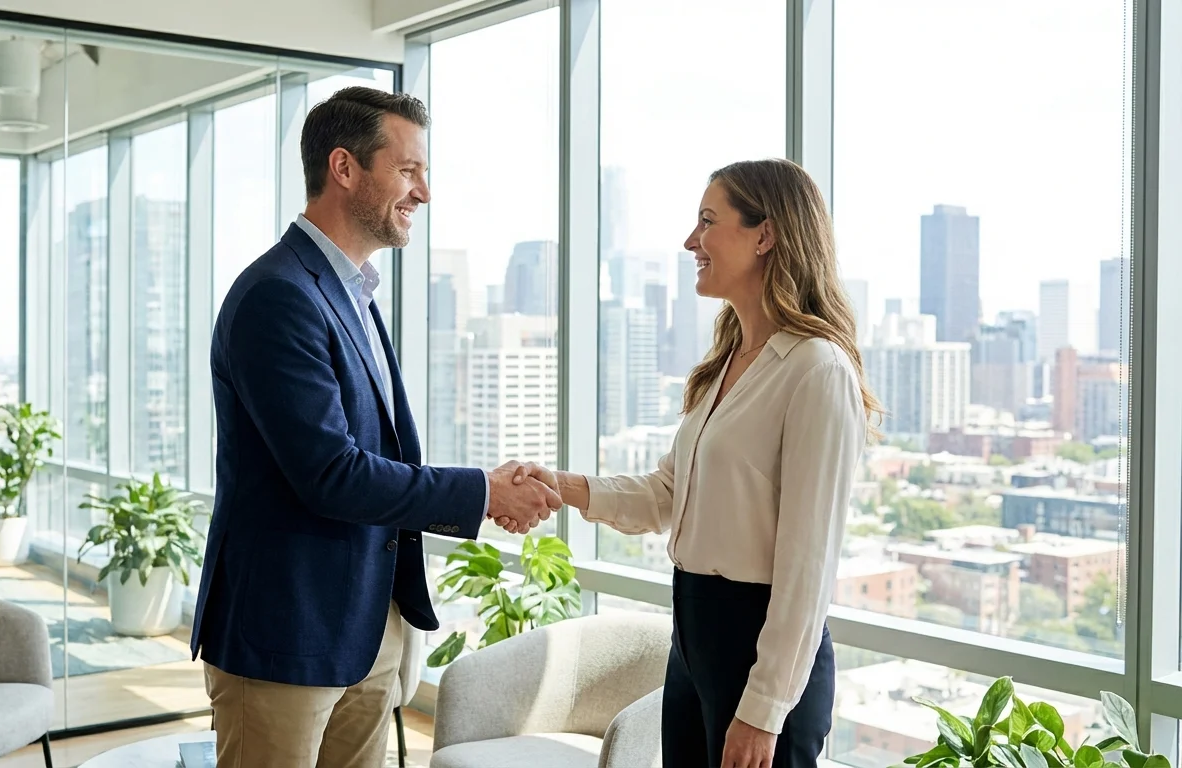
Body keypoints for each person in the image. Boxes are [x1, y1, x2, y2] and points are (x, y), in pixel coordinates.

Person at [192, 86, 561, 768]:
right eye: (410, 170)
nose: (424, 192)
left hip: (364, 628)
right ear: (345, 168)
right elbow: (331, 473)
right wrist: (482, 491)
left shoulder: (350, 291)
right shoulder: (279, 295)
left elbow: (375, 450)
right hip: (288, 634)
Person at [500, 158, 879, 768]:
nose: (690, 241)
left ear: (766, 234)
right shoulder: (726, 362)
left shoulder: (816, 370)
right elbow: (665, 495)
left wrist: (764, 708)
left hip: (759, 648)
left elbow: (807, 565)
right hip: (694, 637)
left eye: (708, 221)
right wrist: (562, 486)